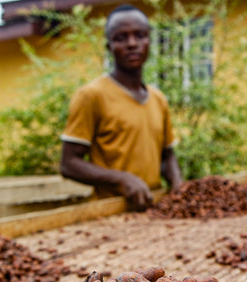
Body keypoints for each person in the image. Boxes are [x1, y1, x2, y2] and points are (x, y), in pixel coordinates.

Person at [59, 4, 182, 211]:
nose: (132, 44)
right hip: (110, 213)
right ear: (109, 47)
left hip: (155, 209)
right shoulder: (92, 95)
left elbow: (167, 155)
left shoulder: (158, 99)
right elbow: (69, 163)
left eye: (140, 35)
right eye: (121, 38)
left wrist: (179, 188)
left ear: (150, 42)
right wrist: (121, 180)